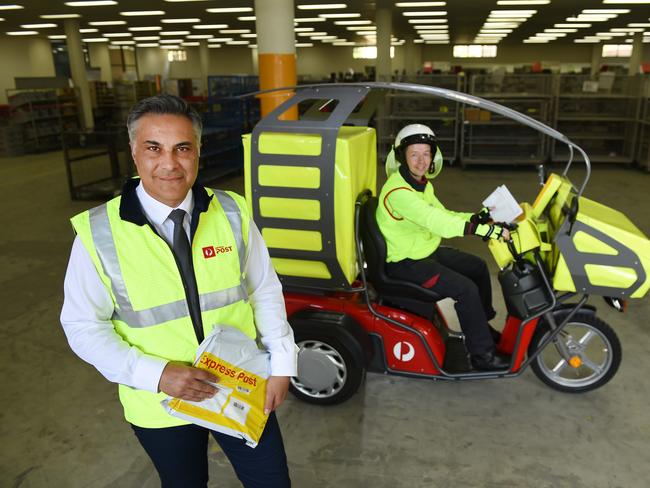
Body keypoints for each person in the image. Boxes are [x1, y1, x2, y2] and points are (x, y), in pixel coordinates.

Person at [60, 94, 297, 487]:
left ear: (198, 152)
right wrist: (157, 374)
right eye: (154, 148)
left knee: (272, 481)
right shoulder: (99, 233)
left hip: (240, 384)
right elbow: (82, 326)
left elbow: (265, 290)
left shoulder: (232, 212)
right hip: (159, 404)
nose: (169, 164)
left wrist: (283, 364)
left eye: (182, 148)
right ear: (134, 152)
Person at [376, 124, 510, 371]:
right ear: (401, 157)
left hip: (425, 252)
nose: (421, 161)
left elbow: (442, 213)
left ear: (433, 156)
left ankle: (482, 327)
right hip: (406, 264)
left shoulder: (421, 184)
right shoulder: (398, 192)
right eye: (414, 154)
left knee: (477, 267)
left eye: (426, 154)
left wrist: (476, 218)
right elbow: (436, 222)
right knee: (466, 289)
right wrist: (485, 230)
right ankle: (482, 355)